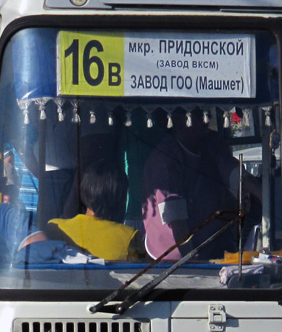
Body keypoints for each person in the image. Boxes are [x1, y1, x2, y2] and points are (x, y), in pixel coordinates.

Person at [142, 107, 248, 260]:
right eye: (199, 115)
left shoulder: (206, 147)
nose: (207, 120)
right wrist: (193, 262)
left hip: (210, 249)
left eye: (207, 114)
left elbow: (229, 175)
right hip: (175, 262)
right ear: (178, 121)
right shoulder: (166, 161)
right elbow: (177, 224)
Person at [45, 159, 146, 261]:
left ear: (84, 191)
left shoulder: (54, 227)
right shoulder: (131, 237)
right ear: (121, 198)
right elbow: (145, 273)